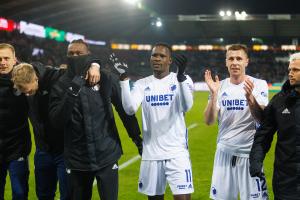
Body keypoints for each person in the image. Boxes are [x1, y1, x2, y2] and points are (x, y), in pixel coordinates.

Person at [48, 39, 143, 200]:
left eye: (79, 53)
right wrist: (73, 89)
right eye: (71, 53)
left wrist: (136, 138)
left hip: (106, 154)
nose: (75, 56)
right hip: (77, 160)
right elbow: (57, 121)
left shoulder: (105, 78)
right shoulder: (61, 84)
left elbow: (124, 109)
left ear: (88, 56)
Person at [111, 43, 194, 200]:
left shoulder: (182, 80)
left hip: (177, 153)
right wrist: (123, 79)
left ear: (170, 60)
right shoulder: (142, 84)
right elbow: (129, 109)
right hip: (151, 154)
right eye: (154, 55)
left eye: (162, 56)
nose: (157, 58)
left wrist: (181, 77)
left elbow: (187, 106)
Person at [10, 59, 100, 200]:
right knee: (44, 194)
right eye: (24, 92)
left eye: (29, 91)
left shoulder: (56, 77)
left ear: (36, 78)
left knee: (67, 195)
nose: (27, 95)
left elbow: (81, 64)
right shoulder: (21, 79)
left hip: (65, 150)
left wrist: (94, 65)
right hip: (42, 150)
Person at [204, 44, 269, 200]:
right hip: (224, 153)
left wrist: (250, 98)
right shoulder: (220, 86)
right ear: (226, 62)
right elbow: (209, 121)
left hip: (250, 155)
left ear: (246, 61)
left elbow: (262, 119)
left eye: (239, 58)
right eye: (231, 58)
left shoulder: (259, 84)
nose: (234, 62)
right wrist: (213, 95)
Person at [250, 52, 300, 200]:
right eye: (290, 70)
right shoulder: (279, 101)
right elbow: (263, 134)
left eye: (295, 70)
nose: (290, 73)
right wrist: (256, 160)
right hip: (285, 179)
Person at [0, 43, 30, 200]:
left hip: (17, 148)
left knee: (19, 193)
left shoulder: (24, 81)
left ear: (14, 60)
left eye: (6, 58)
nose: (2, 62)